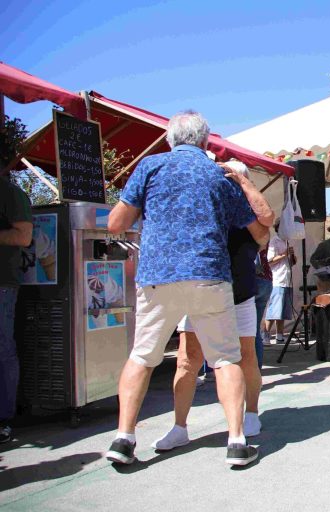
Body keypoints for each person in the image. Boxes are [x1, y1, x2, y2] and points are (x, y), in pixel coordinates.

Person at [106, 111, 269, 466]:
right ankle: (236, 442)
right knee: (225, 359)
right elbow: (259, 229)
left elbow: (116, 223)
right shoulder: (218, 175)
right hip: (209, 274)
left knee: (142, 356)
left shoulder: (150, 166)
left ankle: (124, 438)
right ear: (205, 141)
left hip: (158, 275)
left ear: (170, 139)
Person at [151, 161, 272, 450]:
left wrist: (243, 183)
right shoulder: (202, 205)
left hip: (239, 292)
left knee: (245, 357)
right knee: (187, 359)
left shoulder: (247, 212)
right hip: (200, 292)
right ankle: (179, 427)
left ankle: (251, 413)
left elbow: (266, 225)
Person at [0, 173, 32, 444]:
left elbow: (24, 236)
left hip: (2, 282)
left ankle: (4, 419)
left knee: (2, 348)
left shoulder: (10, 193)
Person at [265, 221, 295, 344]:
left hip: (287, 280)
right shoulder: (274, 241)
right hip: (277, 280)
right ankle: (265, 335)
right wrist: (284, 254)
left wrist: (292, 256)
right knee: (274, 310)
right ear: (279, 228)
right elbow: (269, 261)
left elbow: (291, 263)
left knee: (282, 311)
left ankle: (279, 336)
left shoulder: (287, 241)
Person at [254, 246, 273, 364]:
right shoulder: (265, 236)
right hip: (266, 279)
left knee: (245, 331)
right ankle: (256, 369)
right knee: (254, 329)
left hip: (252, 279)